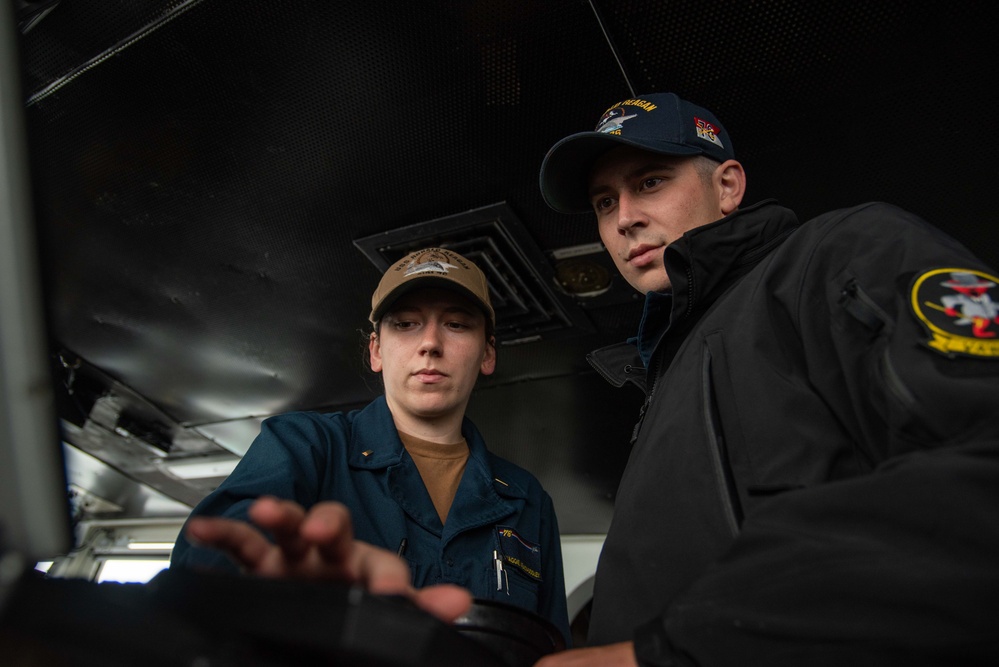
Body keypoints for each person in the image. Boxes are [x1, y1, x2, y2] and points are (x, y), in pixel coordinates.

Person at [532, 93, 999, 665]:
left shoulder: (838, 254)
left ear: (727, 186)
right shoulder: (668, 373)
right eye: (605, 202)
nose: (625, 217)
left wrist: (679, 651)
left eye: (650, 182)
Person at [171, 247, 570, 644]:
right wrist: (263, 586)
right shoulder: (305, 445)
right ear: (376, 350)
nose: (430, 343)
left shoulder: (526, 499)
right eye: (407, 324)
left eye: (457, 324)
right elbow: (215, 553)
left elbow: (550, 648)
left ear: (487, 353)